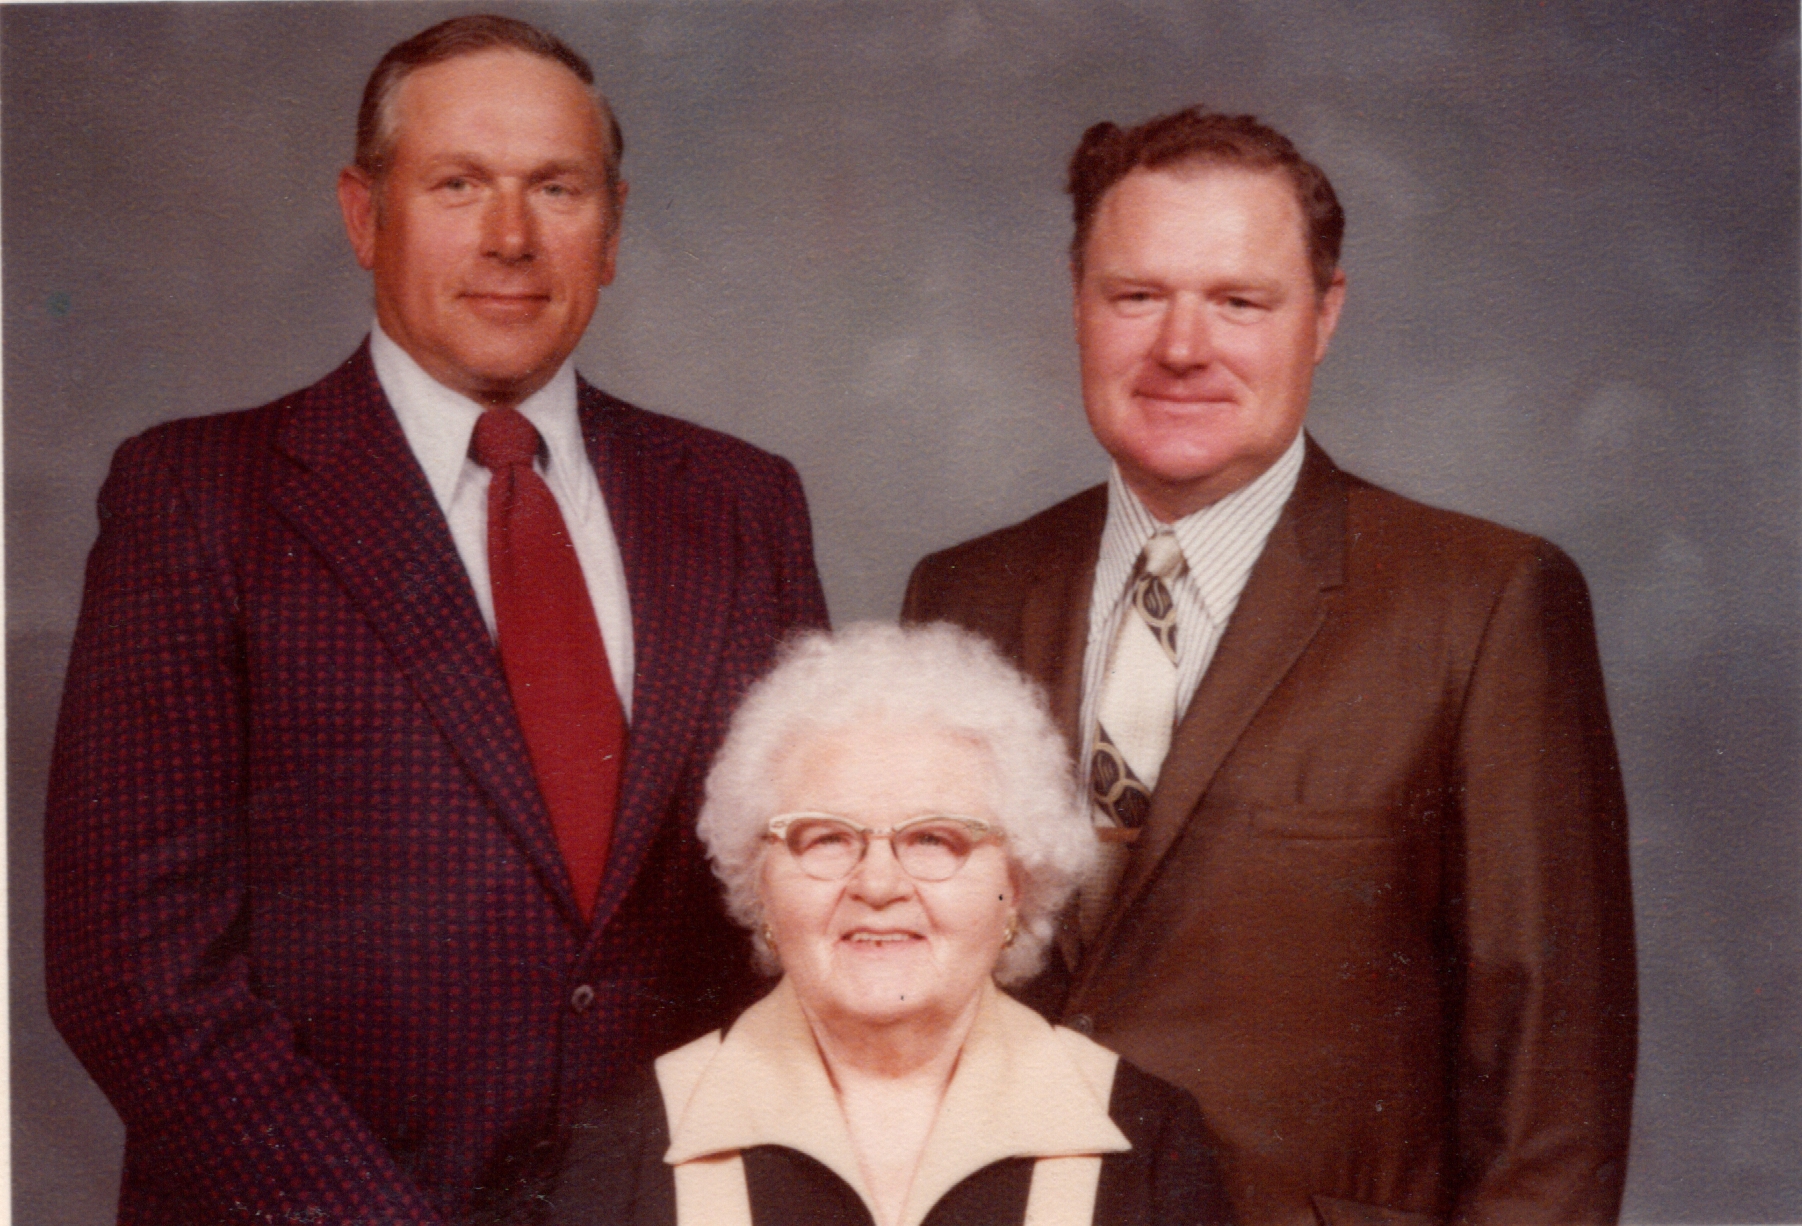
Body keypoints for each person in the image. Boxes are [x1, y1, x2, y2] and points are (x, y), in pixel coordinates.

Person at [44, 15, 827, 1224]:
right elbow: (134, 973)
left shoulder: (738, 502)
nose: (508, 238)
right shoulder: (198, 498)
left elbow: (799, 913)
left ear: (609, 228)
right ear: (365, 217)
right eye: (458, 184)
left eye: (553, 188)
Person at [903, 108, 1637, 1225]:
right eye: (1135, 295)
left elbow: (1549, 1081)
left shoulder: (1483, 601)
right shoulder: (959, 594)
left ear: (1324, 315)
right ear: (1077, 305)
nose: (1181, 347)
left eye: (1238, 301)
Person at [532, 623, 1234, 1226]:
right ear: (761, 882)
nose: (877, 884)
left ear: (1018, 883)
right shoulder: (626, 1142)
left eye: (935, 839)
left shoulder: (1148, 1137)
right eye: (825, 838)